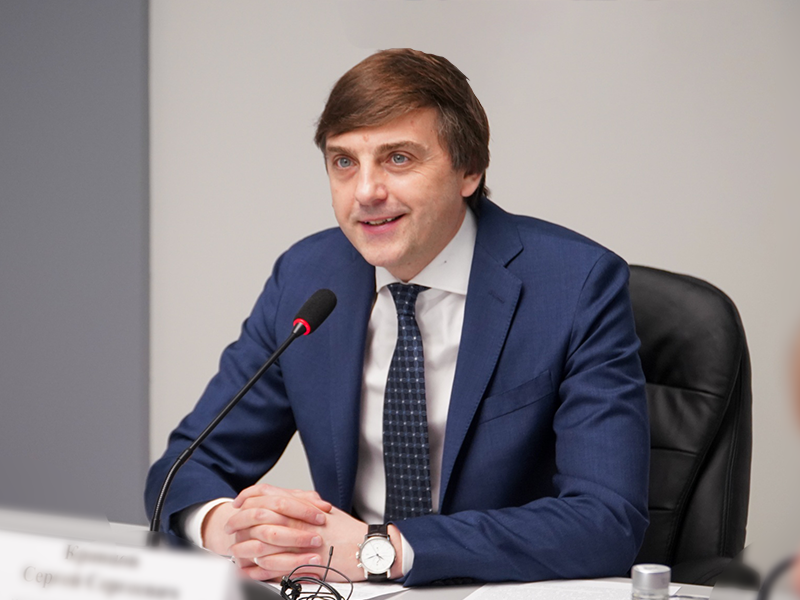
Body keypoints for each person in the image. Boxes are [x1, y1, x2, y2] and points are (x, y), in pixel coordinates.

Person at [145, 48, 650, 587]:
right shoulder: (306, 277)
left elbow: (607, 520)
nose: (366, 192)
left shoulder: (574, 285)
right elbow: (184, 467)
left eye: (399, 159)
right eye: (344, 162)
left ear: (469, 170)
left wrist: (381, 549)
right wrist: (228, 528)